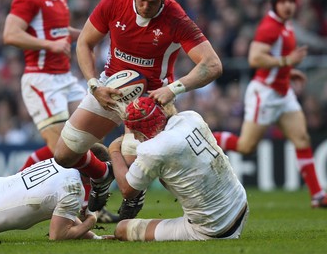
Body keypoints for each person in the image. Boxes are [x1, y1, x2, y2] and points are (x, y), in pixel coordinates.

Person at [53, 0, 222, 215]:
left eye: (152, 2)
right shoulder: (114, 2)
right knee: (64, 155)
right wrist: (93, 85)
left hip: (151, 101)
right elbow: (85, 43)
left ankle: (136, 195)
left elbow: (212, 64)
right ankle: (101, 174)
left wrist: (173, 89)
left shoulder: (176, 18)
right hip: (109, 88)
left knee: (133, 178)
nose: (145, 6)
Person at [2, 0, 118, 222]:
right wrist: (49, 45)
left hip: (65, 79)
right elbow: (10, 34)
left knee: (89, 139)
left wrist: (91, 35)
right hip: (41, 80)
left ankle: (92, 208)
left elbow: (58, 30)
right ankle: (19, 191)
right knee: (62, 150)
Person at [213, 0, 327, 208]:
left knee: (302, 139)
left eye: (291, 1)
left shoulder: (286, 24)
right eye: (283, 1)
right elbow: (255, 59)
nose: (288, 5)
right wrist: (286, 63)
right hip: (264, 93)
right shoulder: (269, 27)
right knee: (246, 146)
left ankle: (317, 195)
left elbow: (274, 58)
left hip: (283, 92)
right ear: (274, 4)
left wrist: (287, 71)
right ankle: (206, 137)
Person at [106, 97, 248, 241]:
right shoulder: (191, 117)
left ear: (143, 128)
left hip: (214, 229)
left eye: (135, 131)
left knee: (122, 229)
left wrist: (114, 150)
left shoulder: (153, 150)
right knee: (166, 174)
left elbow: (126, 190)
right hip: (240, 206)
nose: (135, 137)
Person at [0, 143, 113, 242]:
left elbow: (66, 216)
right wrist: (91, 221)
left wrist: (95, 238)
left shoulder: (61, 164)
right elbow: (58, 235)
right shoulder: (73, 189)